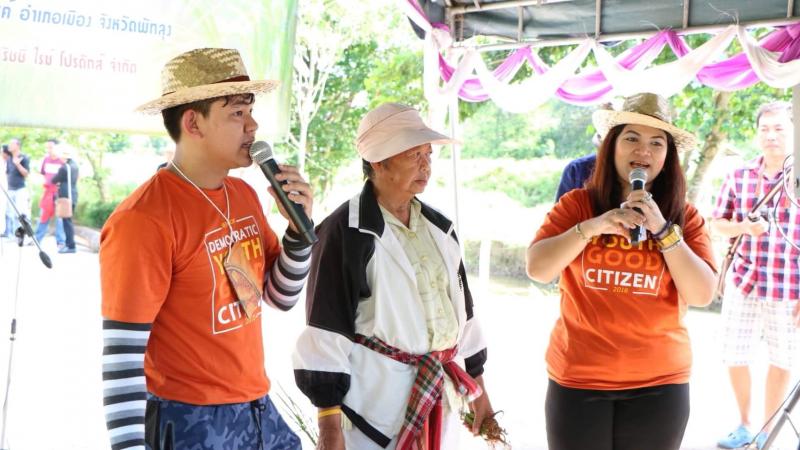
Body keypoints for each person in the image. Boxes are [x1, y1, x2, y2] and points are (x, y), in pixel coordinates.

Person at [100, 48, 313, 450]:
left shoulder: (243, 194)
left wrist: (298, 233)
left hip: (257, 407)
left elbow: (280, 296)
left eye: (251, 110)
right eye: (237, 113)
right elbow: (122, 358)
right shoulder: (143, 219)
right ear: (193, 123)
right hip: (189, 419)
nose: (253, 125)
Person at [293, 103, 494, 450]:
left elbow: (464, 312)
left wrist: (480, 391)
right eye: (413, 155)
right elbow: (325, 332)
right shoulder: (345, 232)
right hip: (373, 412)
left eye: (428, 154)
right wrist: (329, 429)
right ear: (378, 162)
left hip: (439, 397)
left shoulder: (440, 227)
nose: (426, 165)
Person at [525, 92, 717, 450]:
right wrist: (594, 226)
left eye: (656, 143)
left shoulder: (684, 216)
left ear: (668, 156)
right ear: (611, 146)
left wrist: (663, 230)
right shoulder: (578, 204)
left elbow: (702, 294)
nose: (643, 151)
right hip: (578, 379)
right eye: (631, 138)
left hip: (660, 383)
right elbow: (538, 268)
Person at [712, 101, 799, 450]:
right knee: (734, 354)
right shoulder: (739, 175)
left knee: (782, 358)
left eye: (779, 129)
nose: (771, 136)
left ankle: (767, 429)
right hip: (744, 280)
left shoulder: (797, 178)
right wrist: (743, 228)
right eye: (765, 129)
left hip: (790, 286)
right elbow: (717, 223)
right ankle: (745, 424)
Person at [34, 139, 66, 247]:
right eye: (47, 147)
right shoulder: (46, 160)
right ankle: (37, 239)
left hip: (59, 193)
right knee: (43, 214)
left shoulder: (62, 161)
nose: (48, 150)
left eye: (51, 147)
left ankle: (61, 242)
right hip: (48, 193)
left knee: (60, 218)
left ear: (57, 148)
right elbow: (43, 174)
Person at [51, 144, 79, 254]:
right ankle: (69, 244)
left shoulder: (64, 168)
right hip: (73, 194)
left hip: (66, 197)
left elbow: (54, 180)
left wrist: (59, 182)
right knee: (68, 221)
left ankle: (70, 245)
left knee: (67, 221)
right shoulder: (75, 166)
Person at [3, 138, 30, 239]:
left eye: (11, 144)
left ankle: (26, 236)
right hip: (10, 189)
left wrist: (18, 164)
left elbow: (26, 174)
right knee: (11, 213)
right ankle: (16, 235)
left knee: (22, 213)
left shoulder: (24, 157)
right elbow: (7, 173)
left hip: (20, 189)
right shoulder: (9, 158)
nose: (9, 146)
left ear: (17, 145)